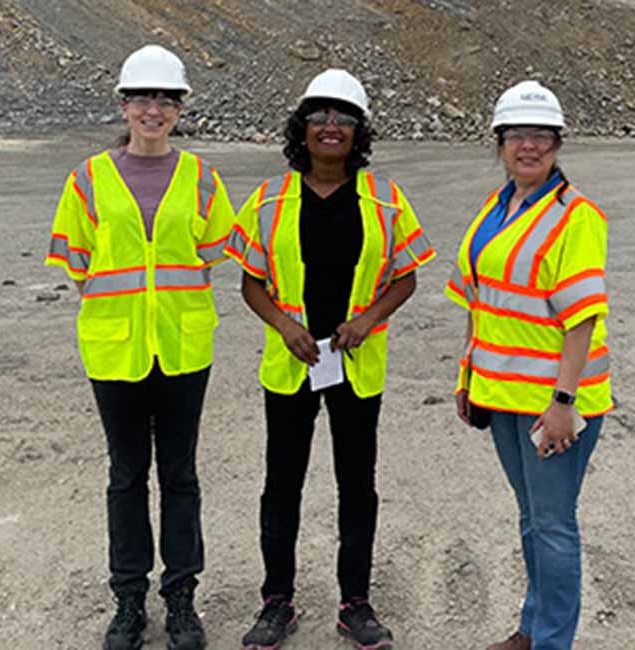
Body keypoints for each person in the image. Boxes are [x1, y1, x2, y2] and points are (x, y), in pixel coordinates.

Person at [224, 68, 435, 650]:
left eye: (343, 118)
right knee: (282, 484)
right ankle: (277, 602)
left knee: (356, 484)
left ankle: (356, 602)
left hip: (356, 366)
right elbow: (251, 284)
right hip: (291, 363)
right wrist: (285, 324)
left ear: (359, 131)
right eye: (319, 115)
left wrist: (368, 320)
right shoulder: (269, 199)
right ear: (303, 127)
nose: (331, 127)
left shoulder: (386, 200)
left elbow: (407, 276)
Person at [45, 44, 236, 650]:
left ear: (178, 109)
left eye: (166, 100)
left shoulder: (202, 177)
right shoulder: (88, 179)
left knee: (179, 475)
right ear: (124, 106)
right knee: (126, 475)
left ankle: (181, 599)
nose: (153, 110)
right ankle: (129, 600)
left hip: (182, 348)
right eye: (142, 99)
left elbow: (214, 251)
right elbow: (77, 263)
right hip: (116, 350)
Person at [446, 80, 613, 650]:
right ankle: (532, 628)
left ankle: (551, 642)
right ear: (499, 141)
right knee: (533, 519)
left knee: (554, 525)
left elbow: (582, 318)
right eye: (517, 134)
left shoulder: (577, 216)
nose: (529, 146)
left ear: (558, 143)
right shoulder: (496, 207)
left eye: (541, 135)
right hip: (502, 395)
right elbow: (479, 300)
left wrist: (563, 403)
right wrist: (468, 377)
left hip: (552, 402)